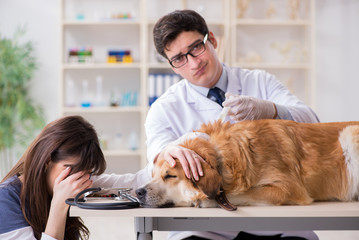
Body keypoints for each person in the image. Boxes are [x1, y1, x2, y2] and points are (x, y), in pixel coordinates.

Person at [145, 9, 320, 240]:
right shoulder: (164, 108)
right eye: (179, 58)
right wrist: (168, 151)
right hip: (203, 227)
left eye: (196, 47)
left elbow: (314, 124)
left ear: (213, 40)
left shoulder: (260, 82)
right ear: (172, 66)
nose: (193, 63)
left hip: (276, 219)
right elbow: (155, 158)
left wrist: (273, 109)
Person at [0, 115, 151, 240]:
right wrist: (59, 206)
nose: (77, 181)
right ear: (47, 160)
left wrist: (163, 157)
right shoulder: (5, 200)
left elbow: (136, 183)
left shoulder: (70, 181)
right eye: (71, 169)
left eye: (87, 172)